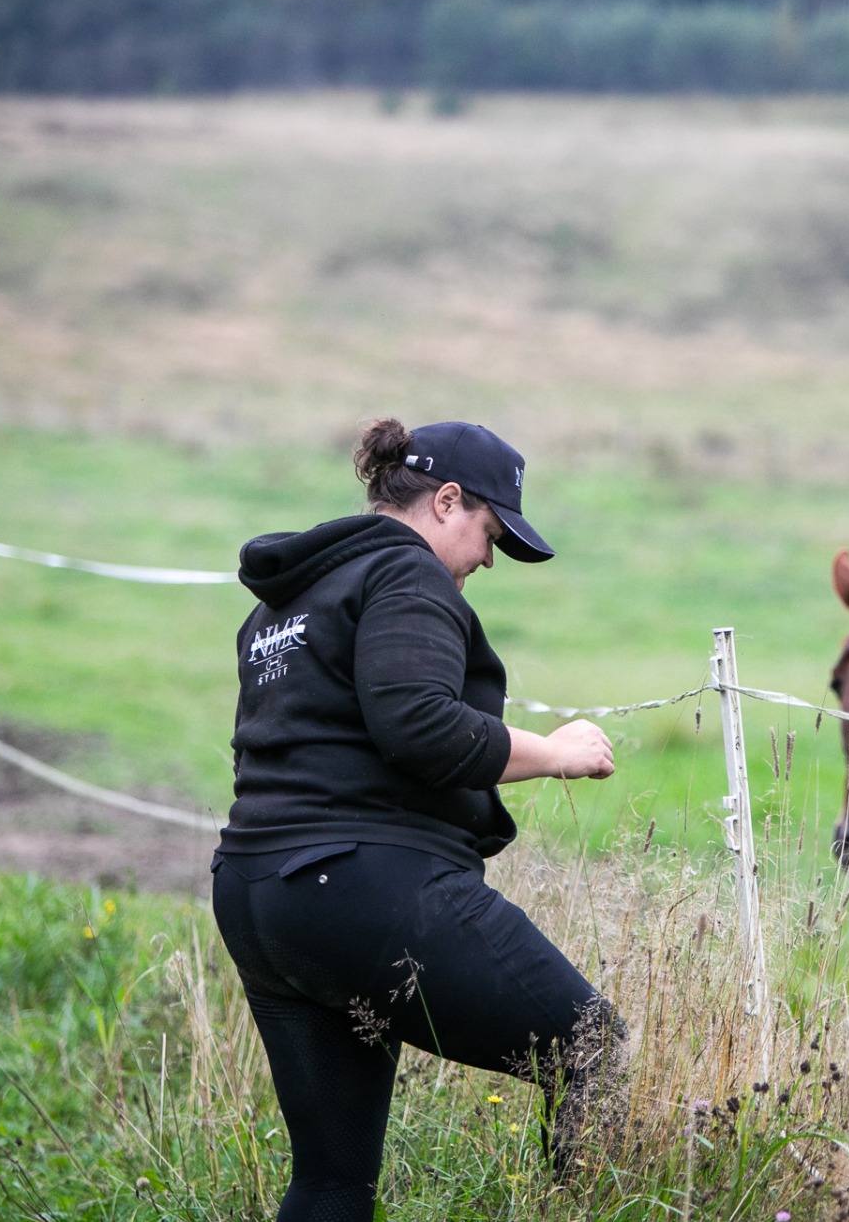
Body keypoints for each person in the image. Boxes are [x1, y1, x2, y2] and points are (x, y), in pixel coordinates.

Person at [210, 418, 624, 1222]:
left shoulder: (284, 602)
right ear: (444, 501)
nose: (487, 559)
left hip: (258, 898)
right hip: (362, 884)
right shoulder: (408, 575)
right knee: (589, 1045)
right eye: (490, 533)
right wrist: (556, 750)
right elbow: (421, 724)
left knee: (331, 1183)